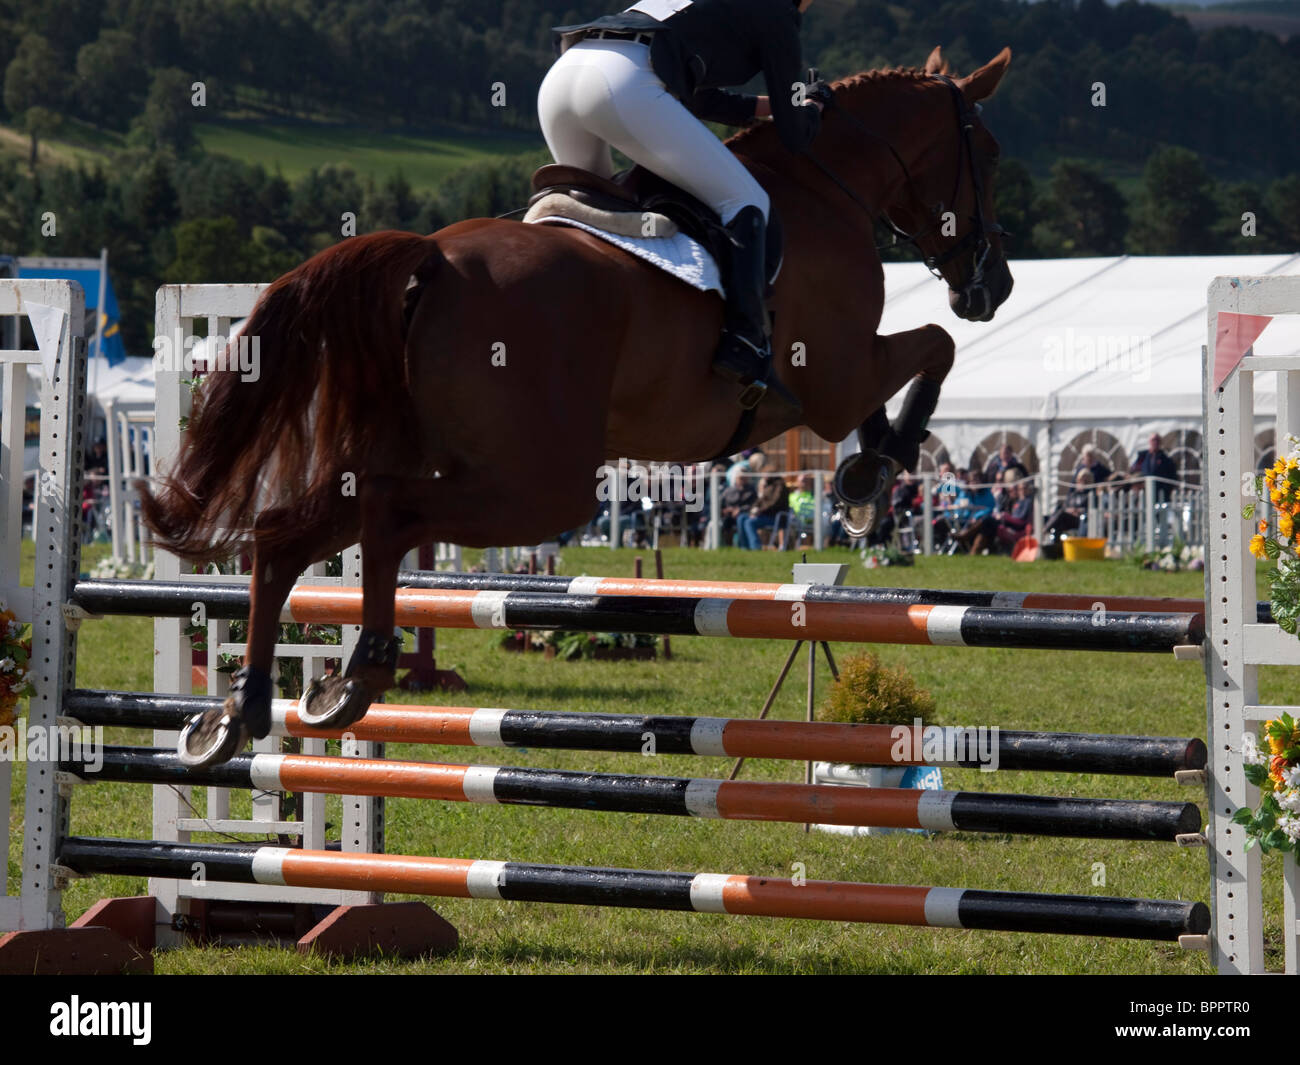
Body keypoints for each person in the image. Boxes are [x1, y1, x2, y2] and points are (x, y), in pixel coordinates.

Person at [541, 0, 825, 412]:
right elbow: (795, 135)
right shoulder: (777, 11)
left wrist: (766, 107)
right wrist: (814, 107)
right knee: (746, 200)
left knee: (591, 226)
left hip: (565, 74)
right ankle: (744, 342)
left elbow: (698, 97)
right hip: (624, 83)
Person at [738, 473, 789, 549]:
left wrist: (760, 511)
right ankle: (744, 547)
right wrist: (753, 511)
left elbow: (774, 503)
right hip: (763, 514)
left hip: (774, 517)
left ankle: (755, 547)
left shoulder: (779, 486)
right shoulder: (768, 486)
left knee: (749, 522)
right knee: (741, 518)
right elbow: (759, 501)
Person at [1130, 432, 1177, 503]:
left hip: (1161, 494)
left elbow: (1172, 476)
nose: (1155, 442)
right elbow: (1133, 471)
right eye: (1153, 440)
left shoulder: (1166, 459)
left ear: (1160, 442)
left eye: (1157, 440)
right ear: (1149, 442)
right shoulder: (1142, 457)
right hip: (1145, 493)